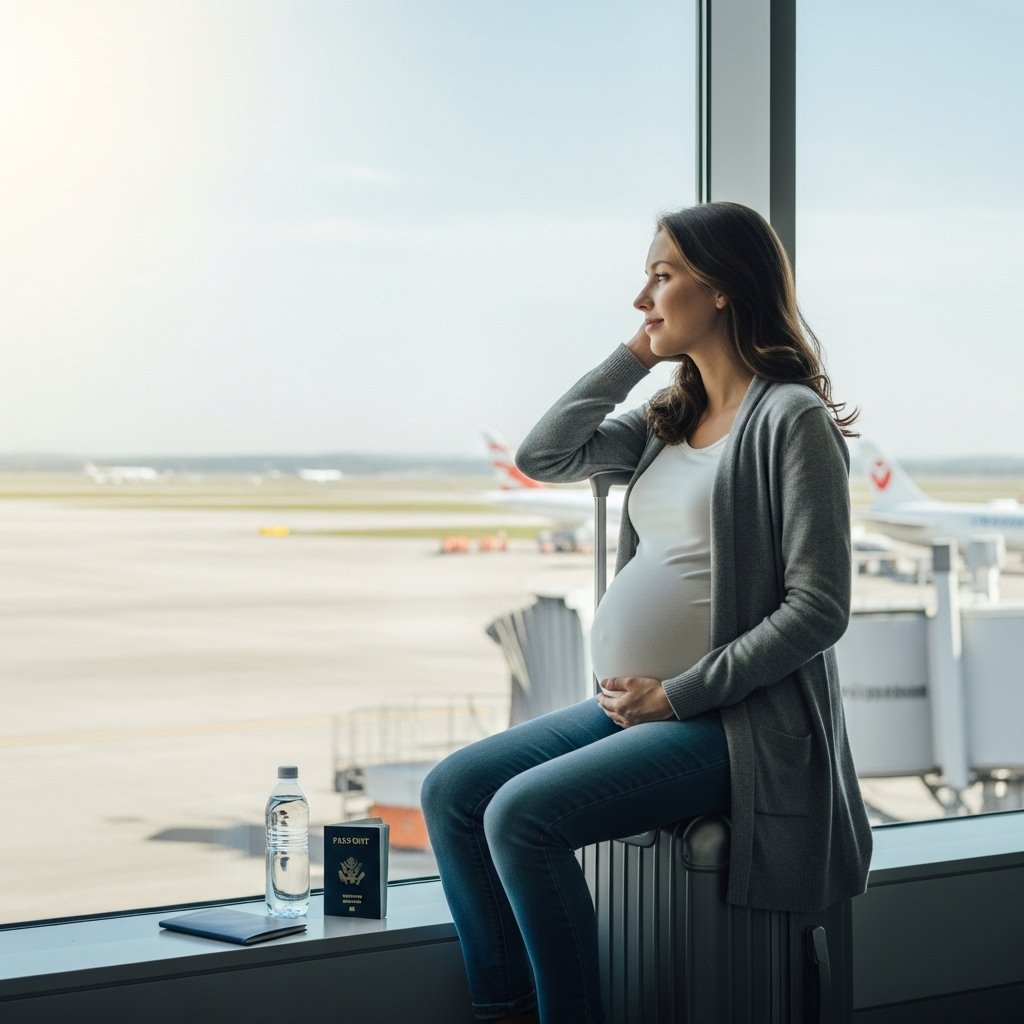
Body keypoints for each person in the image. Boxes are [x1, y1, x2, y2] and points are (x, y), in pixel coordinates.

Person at [420, 201, 873, 1024]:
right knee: (453, 791)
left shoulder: (790, 420)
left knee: (521, 817)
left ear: (725, 288)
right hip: (639, 707)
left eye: (662, 276)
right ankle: (507, 1008)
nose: (643, 298)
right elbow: (543, 454)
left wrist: (678, 694)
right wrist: (639, 352)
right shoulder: (672, 421)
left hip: (735, 723)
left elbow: (819, 609)